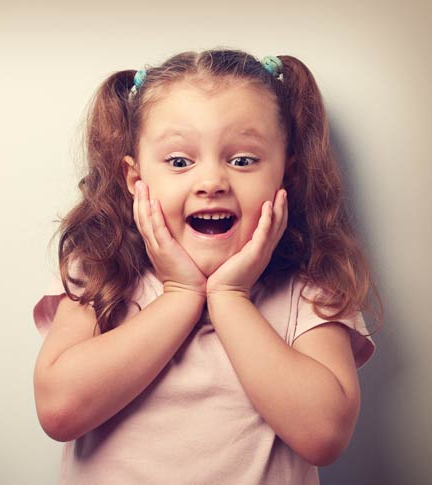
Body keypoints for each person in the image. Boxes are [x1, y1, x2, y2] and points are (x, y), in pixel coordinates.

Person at [32, 48, 383, 484]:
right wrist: (180, 297)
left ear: (285, 176)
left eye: (243, 160)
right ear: (135, 180)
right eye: (180, 162)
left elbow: (324, 435)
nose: (212, 182)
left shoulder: (309, 290)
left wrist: (230, 298)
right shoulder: (103, 273)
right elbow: (58, 411)